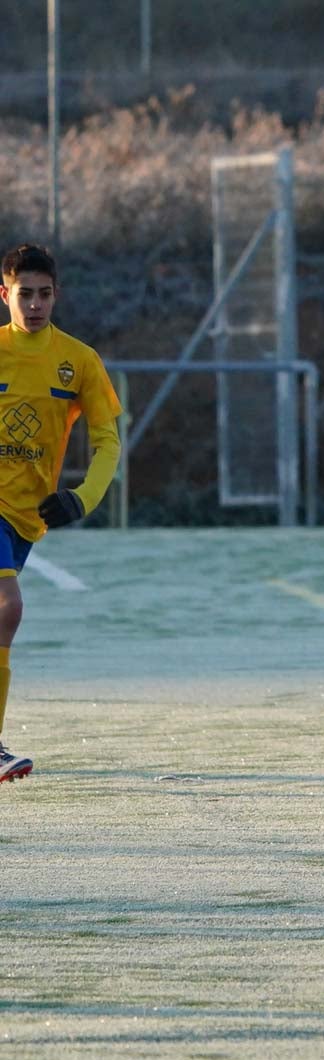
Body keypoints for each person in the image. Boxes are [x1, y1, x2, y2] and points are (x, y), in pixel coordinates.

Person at [0, 244, 123, 785]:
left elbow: (107, 442)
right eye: (24, 293)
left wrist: (81, 497)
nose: (35, 304)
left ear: (56, 296)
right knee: (7, 607)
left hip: (27, 518)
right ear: (4, 294)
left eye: (44, 294)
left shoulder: (80, 361)